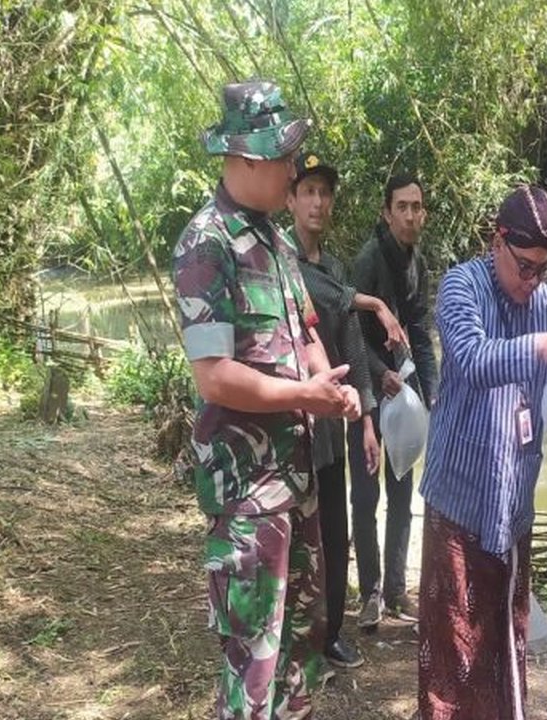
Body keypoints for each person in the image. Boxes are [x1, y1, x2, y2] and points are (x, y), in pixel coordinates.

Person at [174, 81, 361, 719]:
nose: (294, 169)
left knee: (302, 653)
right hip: (250, 497)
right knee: (253, 660)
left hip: (299, 483)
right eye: (284, 158)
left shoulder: (278, 244)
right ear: (247, 160)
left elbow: (306, 330)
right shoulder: (207, 244)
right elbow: (215, 376)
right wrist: (301, 393)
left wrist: (327, 383)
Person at [418, 185, 547, 720]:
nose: (532, 282)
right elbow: (473, 359)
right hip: (459, 501)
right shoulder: (461, 286)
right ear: (496, 241)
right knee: (452, 652)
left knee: (506, 640)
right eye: (524, 267)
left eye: (543, 270)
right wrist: (536, 346)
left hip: (513, 506)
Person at [286, 152, 406, 670]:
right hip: (291, 427)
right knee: (294, 540)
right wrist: (375, 302)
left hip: (335, 427)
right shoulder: (282, 264)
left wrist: (368, 423)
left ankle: (331, 633)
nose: (317, 201)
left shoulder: (333, 267)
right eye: (308, 191)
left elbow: (354, 348)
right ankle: (293, 642)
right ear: (289, 199)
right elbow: (330, 299)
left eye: (324, 192)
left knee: (336, 536)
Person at [349, 173, 440, 628]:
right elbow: (347, 334)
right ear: (387, 212)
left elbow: (420, 332)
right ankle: (369, 593)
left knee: (402, 489)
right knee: (366, 496)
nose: (409, 215)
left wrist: (433, 393)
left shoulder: (417, 263)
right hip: (368, 389)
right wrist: (380, 374)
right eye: (401, 206)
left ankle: (397, 591)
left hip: (402, 391)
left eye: (416, 207)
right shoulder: (368, 261)